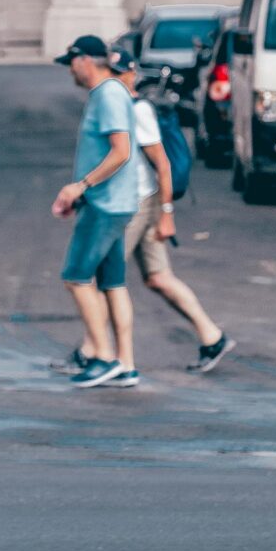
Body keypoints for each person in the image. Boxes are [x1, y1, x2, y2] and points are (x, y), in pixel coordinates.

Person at [112, 52, 234, 373]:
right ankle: (212, 336)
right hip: (141, 200)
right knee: (157, 278)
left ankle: (108, 356)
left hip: (140, 203)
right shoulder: (118, 107)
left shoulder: (138, 111)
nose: (115, 77)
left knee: (103, 277)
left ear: (131, 74)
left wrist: (166, 214)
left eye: (119, 72)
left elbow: (163, 164)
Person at [51, 35, 141, 390]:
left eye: (71, 62)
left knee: (75, 277)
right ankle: (126, 364)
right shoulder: (109, 94)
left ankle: (102, 357)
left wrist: (81, 186)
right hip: (112, 203)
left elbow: (121, 151)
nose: (71, 70)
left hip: (106, 204)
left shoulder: (108, 94)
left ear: (85, 60)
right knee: (112, 284)